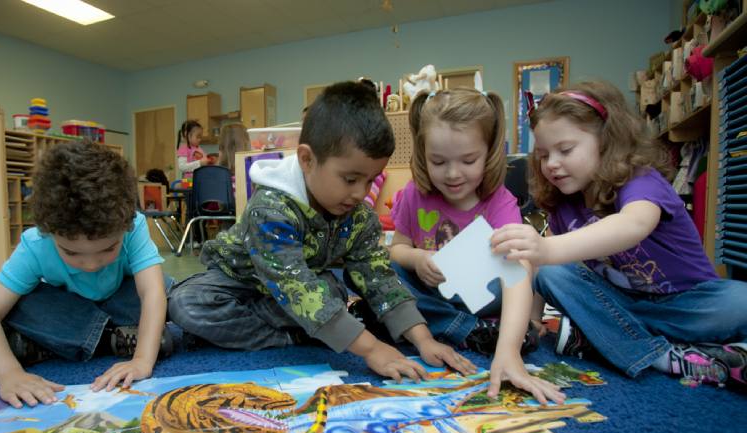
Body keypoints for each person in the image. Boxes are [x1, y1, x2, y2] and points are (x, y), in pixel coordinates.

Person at [168, 81, 477, 382]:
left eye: (370, 180)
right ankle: (295, 336)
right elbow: (295, 286)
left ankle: (309, 328)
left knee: (331, 292)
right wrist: (370, 348)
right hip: (237, 282)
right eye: (350, 179)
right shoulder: (270, 208)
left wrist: (423, 339)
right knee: (186, 304)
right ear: (307, 160)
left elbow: (379, 277)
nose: (361, 193)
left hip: (288, 294)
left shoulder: (359, 217)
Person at [490, 80, 747, 387]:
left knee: (740, 299)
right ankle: (665, 358)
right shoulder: (562, 204)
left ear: (607, 142)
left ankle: (610, 342)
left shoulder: (641, 180)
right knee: (552, 274)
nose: (552, 164)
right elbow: (547, 273)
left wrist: (545, 248)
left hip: (688, 305)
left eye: (566, 150)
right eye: (543, 155)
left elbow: (633, 225)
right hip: (625, 306)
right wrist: (532, 322)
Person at [389, 88, 563, 404]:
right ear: (422, 154)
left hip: (490, 299)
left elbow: (517, 274)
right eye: (438, 161)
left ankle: (491, 331)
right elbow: (397, 248)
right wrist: (416, 257)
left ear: (489, 153)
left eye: (469, 160)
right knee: (381, 269)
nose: (453, 174)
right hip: (434, 292)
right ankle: (469, 329)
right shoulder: (414, 193)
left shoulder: (499, 201)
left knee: (525, 259)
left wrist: (508, 352)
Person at [0, 141, 173, 408]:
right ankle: (113, 338)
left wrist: (142, 361)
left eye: (108, 248)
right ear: (48, 231)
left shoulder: (133, 227)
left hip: (117, 304)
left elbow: (152, 293)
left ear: (126, 225)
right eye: (71, 253)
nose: (90, 265)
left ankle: (65, 343)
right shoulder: (36, 243)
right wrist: (9, 374)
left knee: (166, 289)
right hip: (69, 309)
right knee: (22, 306)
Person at [176, 119, 212, 185]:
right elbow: (182, 167)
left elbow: (204, 161)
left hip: (199, 180)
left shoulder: (198, 148)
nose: (200, 139)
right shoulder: (183, 148)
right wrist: (200, 163)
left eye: (200, 137)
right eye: (198, 137)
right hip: (188, 182)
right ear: (186, 134)